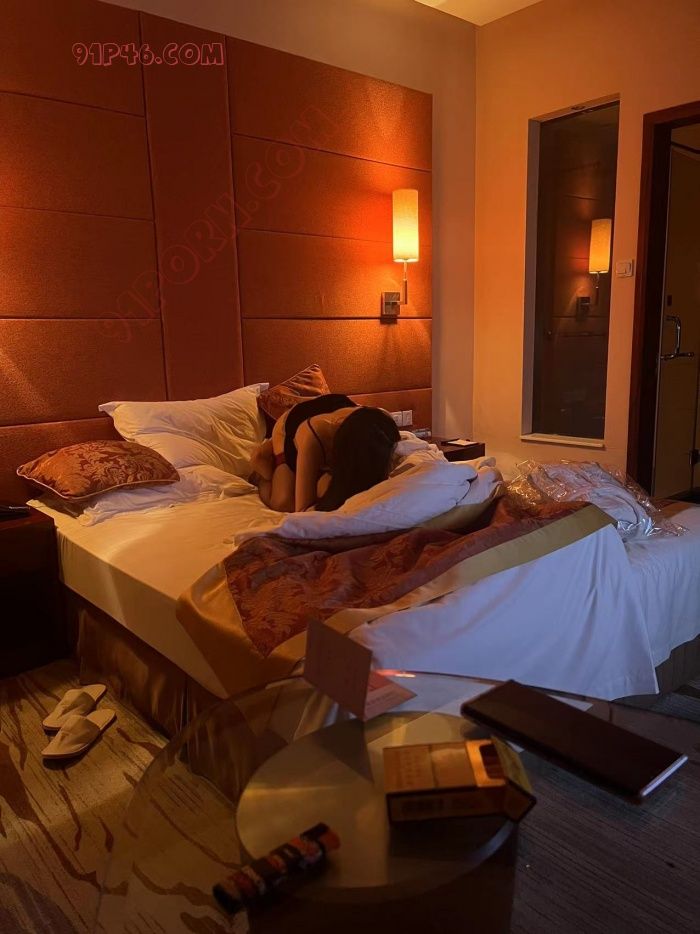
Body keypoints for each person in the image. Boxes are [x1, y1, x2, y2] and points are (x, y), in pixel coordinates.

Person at [251, 395, 400, 513]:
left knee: (329, 487)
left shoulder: (383, 425)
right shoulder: (312, 437)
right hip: (290, 429)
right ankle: (262, 462)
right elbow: (303, 510)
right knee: (283, 503)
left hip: (339, 414)